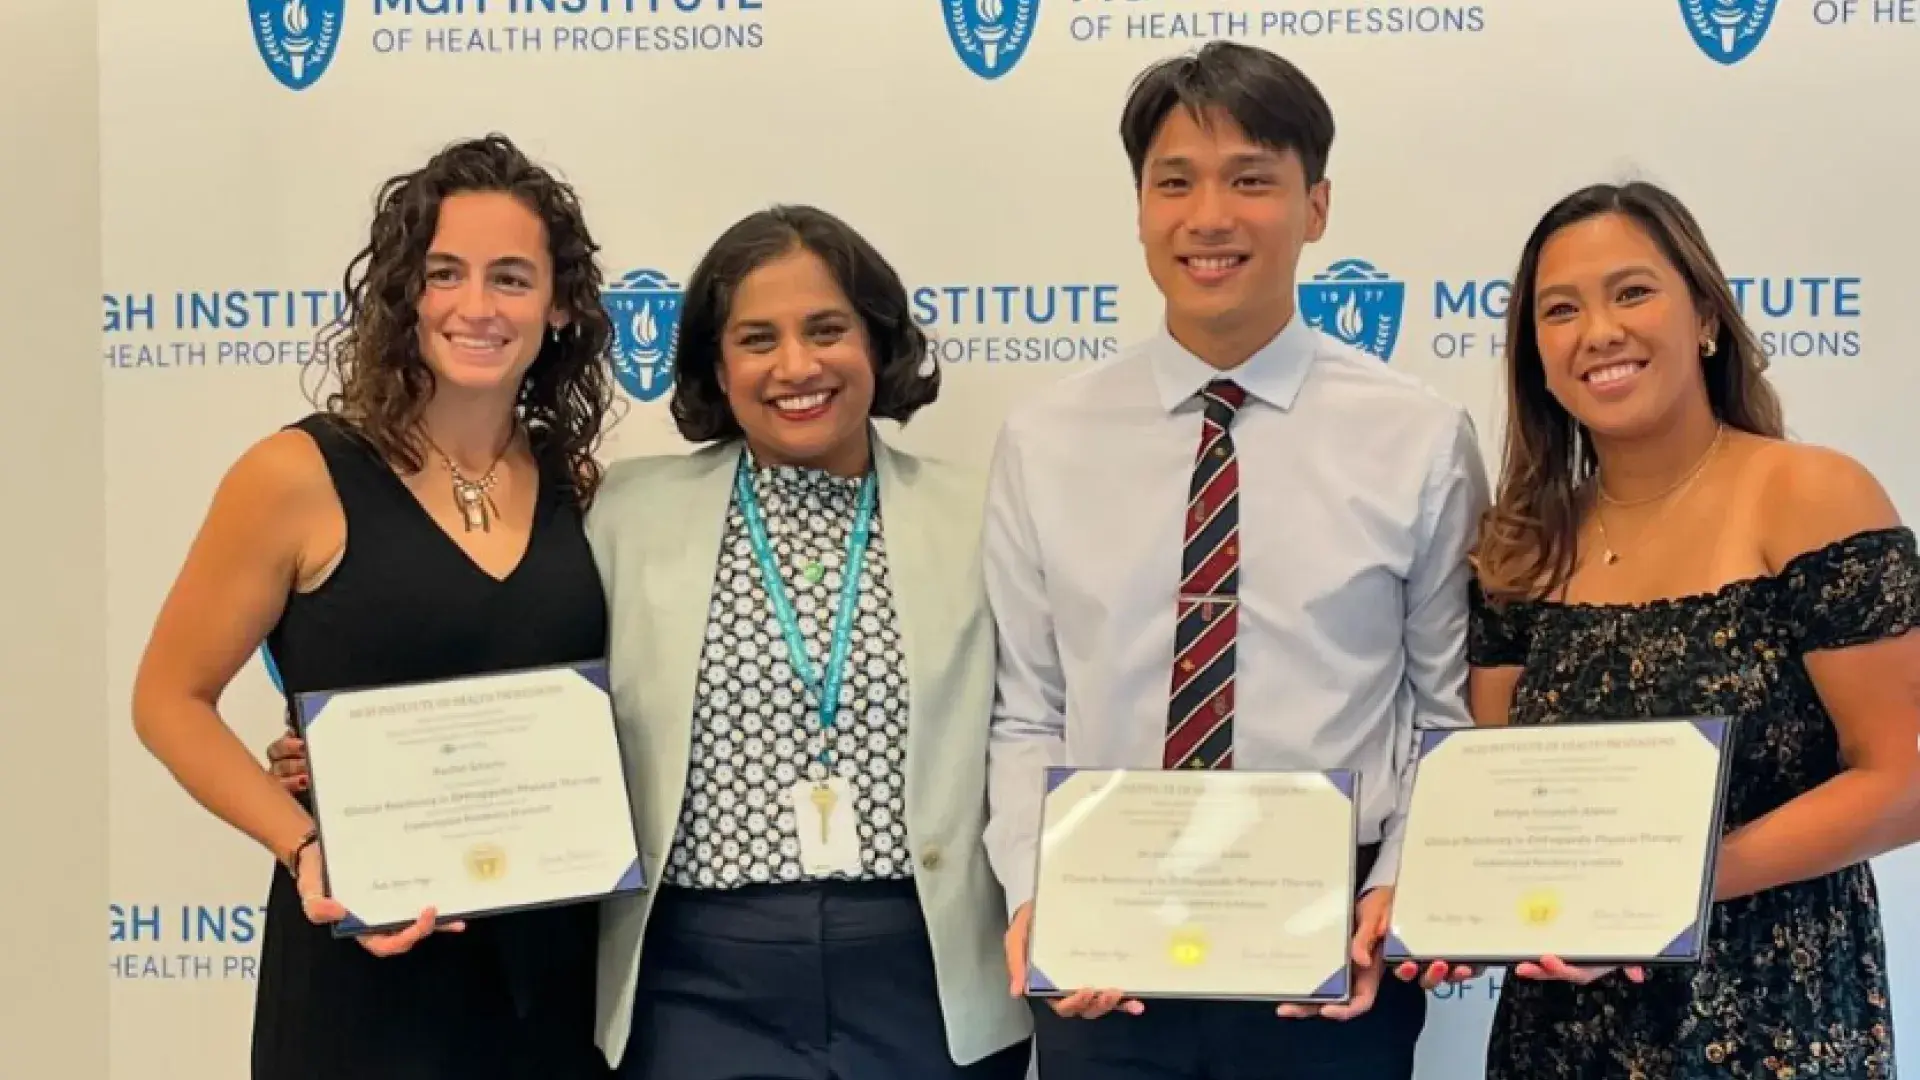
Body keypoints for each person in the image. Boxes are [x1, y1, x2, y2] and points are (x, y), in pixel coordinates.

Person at [980, 40, 1486, 1080]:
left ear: (1316, 206)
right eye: (1175, 182)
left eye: (1251, 179)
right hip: (1105, 936)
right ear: (1139, 210)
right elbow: (1029, 709)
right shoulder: (1046, 439)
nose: (1209, 217)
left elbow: (1445, 715)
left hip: (1330, 950)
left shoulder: (1419, 437)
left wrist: (1396, 889)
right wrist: (1035, 892)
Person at [134, 134, 618, 1079]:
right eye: (445, 274)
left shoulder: (580, 487)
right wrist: (307, 847)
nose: (477, 306)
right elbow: (167, 699)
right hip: (363, 969)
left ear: (559, 305)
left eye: (511, 278)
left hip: (554, 977)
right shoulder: (296, 475)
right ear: (405, 295)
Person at [1462, 180, 1920, 1078]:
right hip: (1560, 1026)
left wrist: (1667, 891)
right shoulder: (1521, 548)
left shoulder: (1812, 496)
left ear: (1705, 315)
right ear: (1536, 354)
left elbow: (1903, 776)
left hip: (1772, 1015)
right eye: (1561, 310)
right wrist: (1451, 910)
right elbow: (1502, 800)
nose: (1599, 331)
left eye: (1632, 292)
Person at [579, 204, 1033, 1079]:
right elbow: (535, 691)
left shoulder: (979, 513)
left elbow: (1044, 712)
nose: (797, 366)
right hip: (696, 983)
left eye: (827, 330)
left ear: (878, 342)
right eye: (758, 339)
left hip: (925, 976)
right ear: (717, 365)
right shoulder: (626, 515)